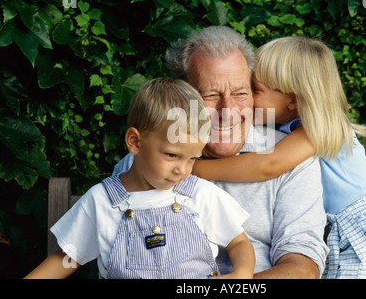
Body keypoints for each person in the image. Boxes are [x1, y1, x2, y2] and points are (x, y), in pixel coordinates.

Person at [192, 36, 366, 279]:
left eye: (254, 90)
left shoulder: (318, 129)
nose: (248, 100)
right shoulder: (289, 128)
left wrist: (195, 169)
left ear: (293, 100)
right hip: (345, 234)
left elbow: (268, 165)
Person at [114, 26, 329, 278]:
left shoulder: (291, 158)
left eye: (240, 93)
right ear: (182, 95)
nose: (227, 110)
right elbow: (121, 256)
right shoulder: (144, 163)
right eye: (210, 94)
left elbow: (302, 269)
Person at [25, 78, 255, 279]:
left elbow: (239, 242)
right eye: (172, 155)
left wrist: (242, 274)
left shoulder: (199, 195)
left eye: (192, 158)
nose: (182, 170)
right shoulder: (102, 201)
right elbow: (68, 259)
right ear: (135, 142)